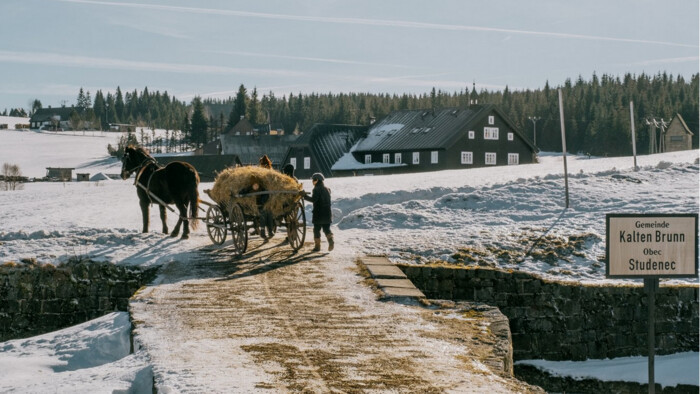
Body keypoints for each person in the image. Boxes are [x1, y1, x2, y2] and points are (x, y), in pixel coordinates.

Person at [301, 173, 333, 252]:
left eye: (313, 180)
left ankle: (317, 247)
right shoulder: (327, 189)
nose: (312, 181)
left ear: (317, 180)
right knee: (327, 229)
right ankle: (331, 241)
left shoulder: (316, 189)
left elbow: (313, 200)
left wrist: (304, 196)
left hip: (319, 213)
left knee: (316, 230)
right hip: (327, 212)